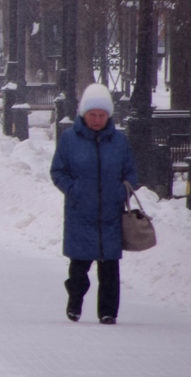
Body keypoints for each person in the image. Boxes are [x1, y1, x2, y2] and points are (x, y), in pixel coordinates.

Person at [50, 83, 138, 324]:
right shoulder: (70, 139)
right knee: (79, 267)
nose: (97, 119)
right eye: (93, 115)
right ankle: (75, 302)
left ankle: (108, 311)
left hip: (111, 212)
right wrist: (74, 190)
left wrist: (122, 193)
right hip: (81, 212)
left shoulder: (119, 141)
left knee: (109, 267)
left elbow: (131, 172)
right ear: (84, 115)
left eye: (101, 115)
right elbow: (58, 171)